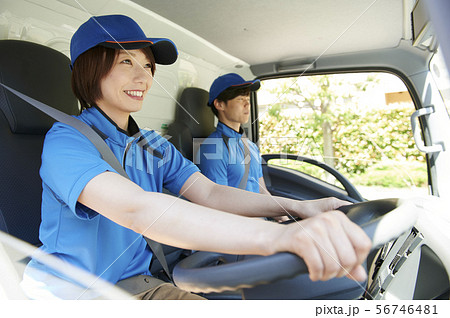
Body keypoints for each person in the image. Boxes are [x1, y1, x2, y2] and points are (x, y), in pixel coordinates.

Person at [22, 14, 371, 300]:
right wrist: (280, 238)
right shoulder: (66, 141)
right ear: (88, 70)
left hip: (137, 285)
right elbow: (138, 209)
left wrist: (297, 209)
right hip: (71, 295)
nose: (142, 76)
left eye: (147, 65)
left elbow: (209, 193)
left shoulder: (152, 145)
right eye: (125, 61)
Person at [197, 73, 266, 194]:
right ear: (219, 104)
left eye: (248, 99)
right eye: (240, 99)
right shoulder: (213, 149)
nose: (247, 104)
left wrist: (283, 212)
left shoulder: (252, 147)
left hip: (260, 212)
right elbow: (219, 201)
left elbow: (263, 191)